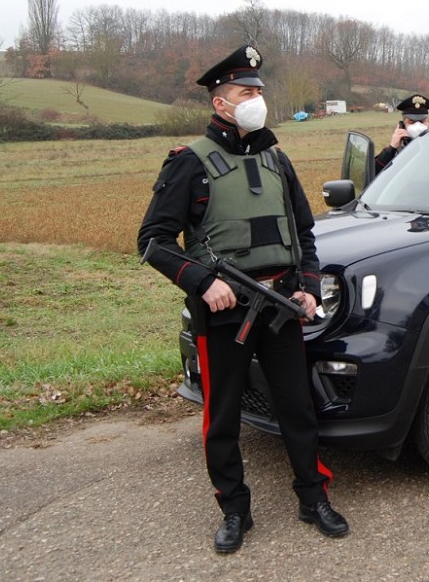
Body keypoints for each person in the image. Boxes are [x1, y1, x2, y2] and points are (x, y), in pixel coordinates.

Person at [137, 44, 348, 554]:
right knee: (224, 416)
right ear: (221, 104)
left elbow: (304, 234)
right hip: (224, 312)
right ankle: (234, 509)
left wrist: (307, 285)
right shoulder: (190, 163)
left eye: (259, 91)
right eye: (245, 92)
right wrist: (202, 283)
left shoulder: (278, 160)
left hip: (279, 307)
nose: (256, 99)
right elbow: (153, 241)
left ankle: (312, 495)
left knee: (298, 408)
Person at [375, 93, 429, 173]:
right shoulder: (394, 152)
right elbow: (375, 173)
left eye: (421, 121)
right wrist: (391, 149)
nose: (417, 125)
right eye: (412, 122)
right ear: (402, 125)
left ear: (428, 122)